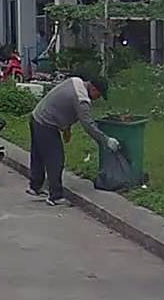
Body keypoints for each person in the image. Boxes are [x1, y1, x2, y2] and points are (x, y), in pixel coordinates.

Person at [27, 75, 119, 206]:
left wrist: (66, 128)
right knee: (55, 159)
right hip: (46, 124)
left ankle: (35, 186)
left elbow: (64, 106)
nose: (98, 98)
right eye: (99, 94)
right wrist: (106, 140)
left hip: (36, 116)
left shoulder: (75, 81)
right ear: (93, 88)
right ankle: (55, 196)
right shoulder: (82, 100)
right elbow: (88, 125)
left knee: (38, 154)